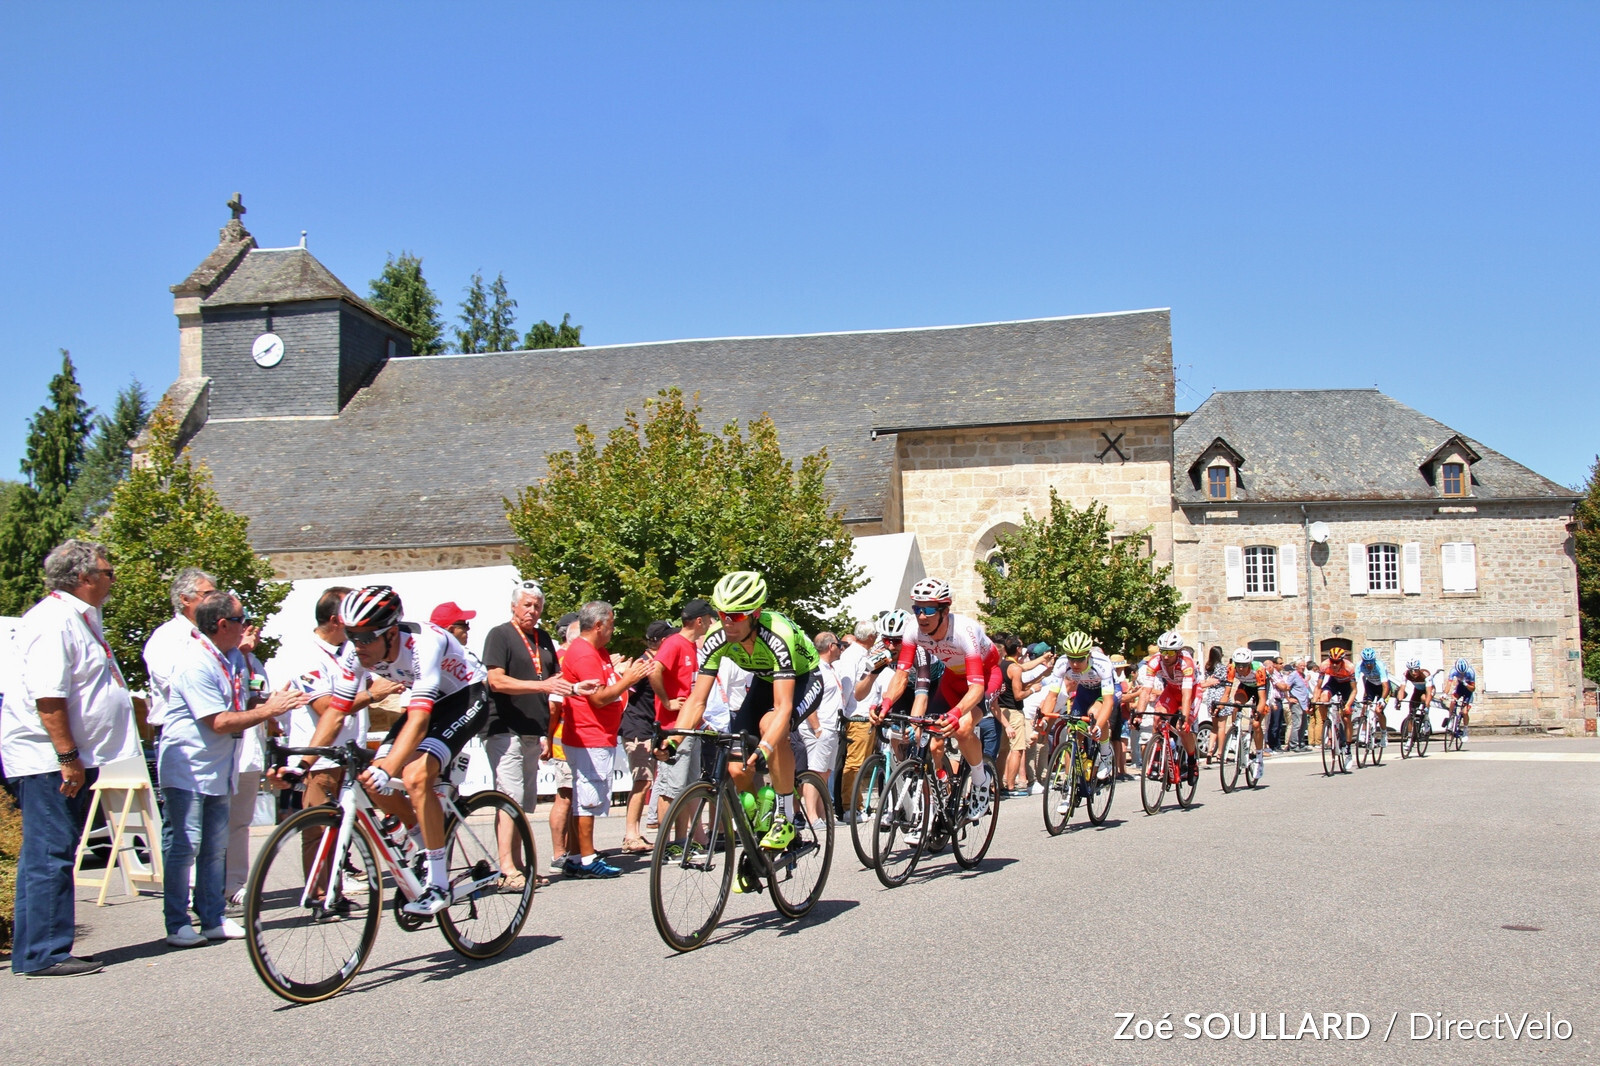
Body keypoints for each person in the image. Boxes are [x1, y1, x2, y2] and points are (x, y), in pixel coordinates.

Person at [278, 585, 489, 916]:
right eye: (351, 635)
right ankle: (424, 842)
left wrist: (387, 766)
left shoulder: (423, 644)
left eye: (365, 637)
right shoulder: (355, 652)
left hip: (465, 696)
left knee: (416, 775)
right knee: (368, 780)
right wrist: (299, 765)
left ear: (391, 633)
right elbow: (335, 712)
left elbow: (419, 720)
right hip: (429, 703)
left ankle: (437, 883)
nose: (357, 645)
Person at [3, 540, 141, 977]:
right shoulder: (54, 621)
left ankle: (35, 950)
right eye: (107, 571)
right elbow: (49, 697)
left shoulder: (78, 617)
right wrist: (67, 756)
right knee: (52, 852)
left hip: (65, 755)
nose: (112, 578)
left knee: (47, 852)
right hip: (49, 758)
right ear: (83, 578)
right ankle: (46, 952)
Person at [160, 591, 306, 947]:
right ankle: (177, 922)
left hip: (219, 767)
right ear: (223, 624)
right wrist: (268, 711)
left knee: (215, 847)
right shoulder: (195, 663)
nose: (247, 626)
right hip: (188, 768)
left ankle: (212, 917)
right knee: (184, 845)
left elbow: (240, 702)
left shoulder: (231, 659)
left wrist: (267, 701)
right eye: (242, 620)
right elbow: (220, 720)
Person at [666, 571, 822, 852]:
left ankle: (786, 816)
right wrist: (673, 741)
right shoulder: (717, 637)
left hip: (803, 679)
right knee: (737, 770)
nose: (727, 622)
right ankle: (761, 819)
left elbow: (784, 706)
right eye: (722, 613)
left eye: (736, 616)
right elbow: (697, 700)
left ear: (755, 613)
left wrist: (764, 748)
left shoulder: (777, 634)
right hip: (763, 680)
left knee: (773, 727)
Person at [879, 578, 1001, 814]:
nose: (921, 616)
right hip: (952, 679)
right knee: (932, 739)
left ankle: (980, 781)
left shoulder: (965, 631)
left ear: (944, 610)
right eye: (917, 608)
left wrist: (956, 714)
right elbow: (902, 676)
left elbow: (975, 689)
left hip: (985, 678)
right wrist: (885, 704)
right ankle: (939, 791)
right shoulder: (913, 629)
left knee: (963, 727)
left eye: (929, 609)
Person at [481, 581, 570, 887]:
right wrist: (541, 687)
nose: (533, 611)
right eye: (527, 605)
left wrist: (578, 688)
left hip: (533, 729)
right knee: (510, 797)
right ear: (513, 606)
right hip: (505, 728)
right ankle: (506, 869)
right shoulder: (500, 635)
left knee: (521, 802)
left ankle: (518, 864)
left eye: (537, 606)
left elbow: (554, 680)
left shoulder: (542, 638)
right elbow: (496, 681)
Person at [559, 601, 654, 878]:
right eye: (610, 624)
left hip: (595, 733)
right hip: (590, 734)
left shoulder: (593, 651)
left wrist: (620, 673)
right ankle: (587, 859)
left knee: (585, 797)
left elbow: (604, 684)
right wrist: (629, 679)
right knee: (587, 798)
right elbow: (600, 698)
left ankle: (577, 855)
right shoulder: (586, 654)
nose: (613, 629)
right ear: (598, 625)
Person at [650, 597, 715, 829]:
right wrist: (666, 701)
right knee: (671, 788)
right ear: (699, 621)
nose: (711, 623)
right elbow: (654, 670)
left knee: (688, 787)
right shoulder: (674, 643)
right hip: (673, 727)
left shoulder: (689, 646)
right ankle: (665, 844)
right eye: (709, 619)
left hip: (691, 727)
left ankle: (681, 840)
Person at [1036, 631, 1117, 810]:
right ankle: (1069, 786)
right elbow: (1052, 696)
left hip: (1104, 694)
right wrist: (1043, 719)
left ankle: (1105, 755)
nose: (1075, 664)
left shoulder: (1102, 663)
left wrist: (1099, 725)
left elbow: (1109, 702)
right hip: (1084, 693)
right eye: (1072, 658)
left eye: (1080, 659)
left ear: (1088, 655)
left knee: (1095, 714)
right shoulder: (1062, 664)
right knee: (1072, 733)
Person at [141, 567, 217, 736]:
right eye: (208, 595)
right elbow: (175, 685)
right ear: (185, 599)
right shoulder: (166, 637)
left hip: (208, 730)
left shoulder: (211, 636)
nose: (215, 601)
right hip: (179, 732)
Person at [619, 621, 673, 853]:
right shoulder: (643, 663)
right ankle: (631, 835)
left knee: (648, 780)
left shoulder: (657, 663)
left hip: (651, 727)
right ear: (661, 641)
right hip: (637, 728)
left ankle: (636, 832)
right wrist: (622, 672)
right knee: (642, 780)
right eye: (669, 638)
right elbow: (624, 686)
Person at [1134, 631, 1199, 778]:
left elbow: (1187, 695)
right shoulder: (1155, 661)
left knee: (1182, 728)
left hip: (1191, 691)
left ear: (1179, 652)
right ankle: (1157, 757)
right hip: (1171, 690)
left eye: (1170, 652)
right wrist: (1139, 714)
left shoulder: (1186, 663)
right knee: (1157, 717)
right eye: (1163, 651)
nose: (1166, 656)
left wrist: (1185, 716)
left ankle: (1191, 761)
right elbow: (1146, 690)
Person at [807, 632, 849, 805]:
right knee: (816, 772)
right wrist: (817, 728)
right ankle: (811, 815)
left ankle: (823, 815)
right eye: (839, 645)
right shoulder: (816, 669)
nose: (841, 649)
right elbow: (809, 700)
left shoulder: (829, 668)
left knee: (825, 772)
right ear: (831, 647)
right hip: (822, 726)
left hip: (832, 726)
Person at [1222, 647, 1268, 780]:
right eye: (1238, 665)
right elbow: (1227, 693)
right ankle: (1235, 735)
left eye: (1244, 665)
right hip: (1246, 687)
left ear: (1249, 663)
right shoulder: (1231, 668)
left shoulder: (1258, 670)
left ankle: (1259, 758)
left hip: (1261, 690)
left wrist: (1258, 713)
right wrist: (1220, 706)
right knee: (1236, 704)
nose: (1240, 668)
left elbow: (1262, 698)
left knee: (1256, 723)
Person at [995, 635, 1030, 796]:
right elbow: (1018, 694)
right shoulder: (1015, 668)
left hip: (1000, 710)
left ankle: (998, 784)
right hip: (1013, 711)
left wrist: (1041, 674)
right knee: (1017, 749)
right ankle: (1009, 785)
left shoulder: (1002, 663)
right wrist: (1033, 690)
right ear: (1017, 649)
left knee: (1002, 750)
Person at [1314, 646, 1356, 761]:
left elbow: (1354, 690)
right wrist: (1314, 701)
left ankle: (1347, 748)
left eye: (1337, 662)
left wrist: (1348, 705)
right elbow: (1318, 687)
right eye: (1332, 661)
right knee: (1322, 699)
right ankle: (1326, 724)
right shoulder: (1324, 665)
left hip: (1347, 686)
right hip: (1334, 682)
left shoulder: (1349, 667)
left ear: (1342, 660)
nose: (1334, 665)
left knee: (1347, 718)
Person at [1356, 647, 1392, 743]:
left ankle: (1384, 735)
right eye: (1366, 662)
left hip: (1383, 688)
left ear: (1374, 660)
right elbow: (1354, 682)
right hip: (1370, 686)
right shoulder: (1359, 665)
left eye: (1370, 662)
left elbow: (1386, 686)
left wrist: (1382, 699)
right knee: (1364, 708)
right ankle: (1363, 733)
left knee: (1378, 710)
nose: (1368, 664)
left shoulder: (1380, 666)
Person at [1447, 657, 1476, 737]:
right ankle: (1451, 720)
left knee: (1464, 712)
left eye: (1464, 673)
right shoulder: (1453, 671)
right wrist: (1444, 694)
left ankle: (1465, 730)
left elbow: (1473, 689)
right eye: (1460, 673)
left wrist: (1466, 684)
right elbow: (1449, 684)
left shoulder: (1471, 672)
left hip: (1468, 691)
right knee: (1453, 701)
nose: (1462, 675)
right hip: (1460, 688)